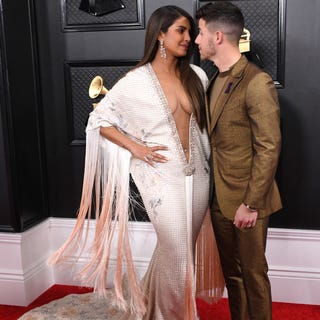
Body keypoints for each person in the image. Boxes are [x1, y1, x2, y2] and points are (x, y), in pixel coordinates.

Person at [48, 5, 222, 320]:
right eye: (181, 30)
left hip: (198, 178)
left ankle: (154, 308)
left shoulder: (197, 76)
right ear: (159, 34)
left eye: (189, 32)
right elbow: (98, 121)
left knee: (180, 251)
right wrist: (135, 148)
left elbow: (205, 128)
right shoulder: (136, 81)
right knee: (178, 252)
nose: (188, 38)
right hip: (160, 179)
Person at [195, 2, 282, 320]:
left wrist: (252, 203)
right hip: (219, 198)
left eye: (200, 32)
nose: (196, 40)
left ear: (217, 36)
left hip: (248, 202)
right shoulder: (214, 81)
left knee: (253, 277)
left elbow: (269, 148)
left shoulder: (256, 82)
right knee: (232, 277)